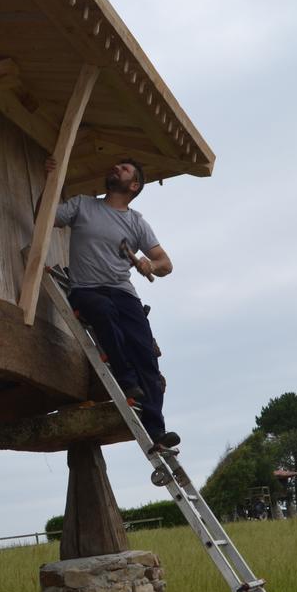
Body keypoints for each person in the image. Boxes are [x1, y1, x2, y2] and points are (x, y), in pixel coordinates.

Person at [48, 158, 180, 450]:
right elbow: (44, 217)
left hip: (124, 292)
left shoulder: (136, 222)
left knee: (147, 354)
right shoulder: (83, 205)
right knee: (104, 313)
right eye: (116, 166)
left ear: (134, 185)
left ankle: (157, 433)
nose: (115, 168)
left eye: (123, 169)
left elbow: (166, 264)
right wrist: (51, 179)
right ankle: (127, 380)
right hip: (86, 289)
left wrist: (149, 265)